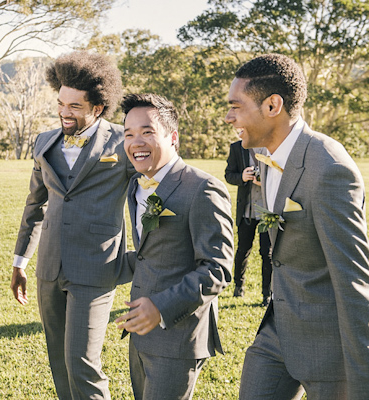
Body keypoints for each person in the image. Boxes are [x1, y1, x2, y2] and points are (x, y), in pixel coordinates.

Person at [226, 53, 369, 400]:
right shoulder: (265, 156)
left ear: (273, 105)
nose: (229, 117)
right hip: (276, 333)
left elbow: (354, 281)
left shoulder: (329, 167)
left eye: (236, 106)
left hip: (327, 347)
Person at [10, 51, 134, 399]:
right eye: (61, 103)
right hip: (49, 267)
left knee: (82, 362)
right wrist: (20, 261)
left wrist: (145, 259)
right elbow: (35, 204)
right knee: (59, 361)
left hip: (97, 268)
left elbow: (144, 201)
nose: (65, 112)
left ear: (97, 107)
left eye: (75, 106)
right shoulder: (43, 142)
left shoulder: (123, 142)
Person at [115, 93, 233, 400]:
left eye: (147, 132)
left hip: (178, 336)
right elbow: (149, 252)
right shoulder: (135, 187)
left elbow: (217, 269)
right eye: (128, 134)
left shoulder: (203, 188)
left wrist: (160, 307)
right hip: (140, 335)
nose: (135, 142)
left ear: (173, 137)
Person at [224, 140, 272, 305]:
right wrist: (242, 177)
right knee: (243, 250)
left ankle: (267, 294)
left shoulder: (273, 145)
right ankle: (238, 286)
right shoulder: (237, 147)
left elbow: (283, 175)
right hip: (246, 210)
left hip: (267, 211)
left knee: (267, 253)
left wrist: (264, 181)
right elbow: (229, 174)